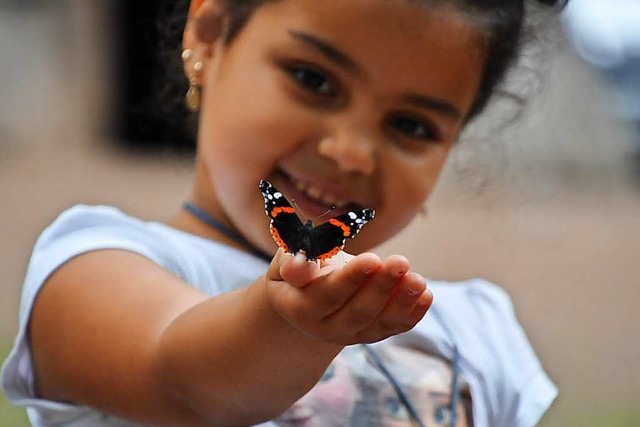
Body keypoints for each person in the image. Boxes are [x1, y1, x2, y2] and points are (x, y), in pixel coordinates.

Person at [1, 0, 561, 426]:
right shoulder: (90, 273)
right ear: (209, 36)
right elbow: (183, 378)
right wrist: (288, 325)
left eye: (412, 126)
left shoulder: (475, 332)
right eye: (314, 80)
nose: (351, 151)